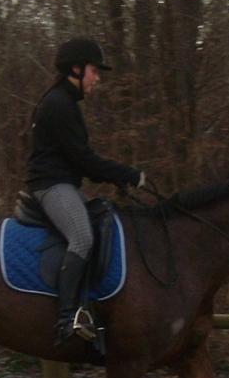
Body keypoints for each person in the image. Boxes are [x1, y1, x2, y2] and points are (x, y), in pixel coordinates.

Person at [26, 37, 145, 345]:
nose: (97, 78)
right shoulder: (59, 105)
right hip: (51, 186)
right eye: (94, 70)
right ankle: (67, 318)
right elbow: (84, 160)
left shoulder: (65, 102)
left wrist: (117, 177)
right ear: (76, 70)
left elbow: (81, 160)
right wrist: (126, 174)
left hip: (64, 183)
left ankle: (91, 306)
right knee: (82, 236)